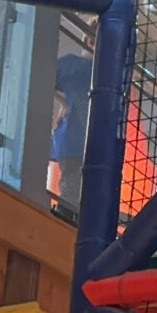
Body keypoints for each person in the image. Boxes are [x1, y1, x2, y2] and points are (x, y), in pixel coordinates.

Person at [49, 49, 93, 207]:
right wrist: (64, 103)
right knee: (71, 195)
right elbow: (44, 76)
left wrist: (65, 103)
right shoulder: (75, 64)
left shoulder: (99, 72)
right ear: (90, 42)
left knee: (79, 195)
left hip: (83, 143)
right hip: (75, 141)